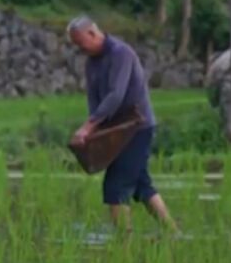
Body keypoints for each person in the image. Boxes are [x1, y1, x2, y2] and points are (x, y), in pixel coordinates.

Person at [66, 15, 178, 234]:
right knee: (141, 185)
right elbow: (94, 99)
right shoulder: (92, 62)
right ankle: (172, 233)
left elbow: (115, 95)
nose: (79, 48)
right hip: (115, 130)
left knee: (116, 185)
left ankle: (123, 243)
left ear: (92, 33)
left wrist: (88, 126)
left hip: (137, 127)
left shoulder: (121, 53)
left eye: (80, 42)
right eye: (75, 44)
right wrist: (94, 128)